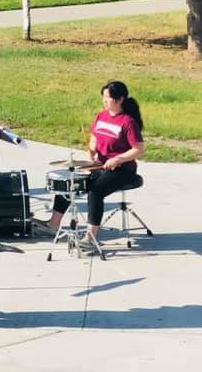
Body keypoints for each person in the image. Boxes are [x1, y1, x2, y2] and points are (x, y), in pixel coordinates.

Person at [32, 81, 145, 251]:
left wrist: (118, 159)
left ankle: (91, 236)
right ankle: (53, 224)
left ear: (120, 99)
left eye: (108, 98)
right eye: (103, 97)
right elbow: (94, 137)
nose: (104, 101)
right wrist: (91, 150)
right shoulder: (101, 116)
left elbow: (138, 149)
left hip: (123, 170)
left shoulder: (128, 122)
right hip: (99, 165)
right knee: (70, 180)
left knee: (95, 190)